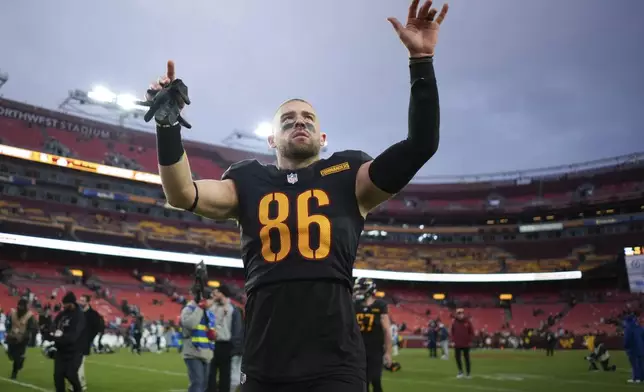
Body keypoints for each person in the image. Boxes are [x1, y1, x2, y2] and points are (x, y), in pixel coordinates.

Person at [148, 0, 446, 389]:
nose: (299, 122)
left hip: (334, 364)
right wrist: (167, 127)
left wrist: (421, 62)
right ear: (272, 138)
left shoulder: (349, 175)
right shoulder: (248, 180)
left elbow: (421, 144)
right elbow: (181, 193)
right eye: (288, 120)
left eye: (308, 118)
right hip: (264, 364)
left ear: (323, 137)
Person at [354, 278, 392, 392]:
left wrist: (388, 353)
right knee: (361, 382)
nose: (358, 293)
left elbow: (386, 329)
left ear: (369, 290)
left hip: (375, 350)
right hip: (358, 350)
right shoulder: (354, 305)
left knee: (376, 380)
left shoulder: (380, 305)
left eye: (361, 290)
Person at [208, 285, 243, 392]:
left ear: (222, 293)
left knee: (225, 374)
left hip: (225, 344)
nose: (214, 294)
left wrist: (234, 346)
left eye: (216, 292)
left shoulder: (233, 309)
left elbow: (236, 329)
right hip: (211, 343)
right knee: (210, 373)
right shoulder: (212, 306)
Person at [182, 288, 217, 392]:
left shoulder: (210, 313)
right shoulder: (189, 309)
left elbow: (212, 330)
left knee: (204, 384)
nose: (213, 302)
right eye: (211, 299)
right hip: (193, 352)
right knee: (197, 383)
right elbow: (190, 324)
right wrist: (200, 308)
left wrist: (214, 334)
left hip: (207, 353)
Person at [52, 292, 86, 392]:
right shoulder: (62, 314)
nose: (64, 306)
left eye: (65, 304)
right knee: (58, 375)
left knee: (70, 374)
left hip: (75, 350)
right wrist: (52, 332)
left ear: (71, 303)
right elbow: (54, 324)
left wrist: (60, 336)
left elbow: (74, 335)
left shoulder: (79, 316)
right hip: (61, 350)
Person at [5, 297, 37, 380]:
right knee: (10, 355)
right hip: (12, 337)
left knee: (17, 357)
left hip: (23, 339)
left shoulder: (29, 316)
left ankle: (14, 374)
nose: (20, 308)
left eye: (22, 306)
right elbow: (8, 324)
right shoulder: (13, 313)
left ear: (25, 307)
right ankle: (20, 360)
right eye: (19, 306)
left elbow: (31, 328)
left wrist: (24, 336)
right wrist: (8, 332)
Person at [451, 308, 474, 379]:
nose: (460, 315)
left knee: (466, 358)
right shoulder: (454, 322)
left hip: (466, 343)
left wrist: (470, 341)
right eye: (458, 313)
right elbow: (452, 332)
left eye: (461, 313)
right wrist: (452, 341)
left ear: (463, 314)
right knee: (457, 358)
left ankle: (468, 373)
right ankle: (460, 371)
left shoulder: (468, 322)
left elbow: (471, 332)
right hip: (457, 344)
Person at [623, 315, 644, 383]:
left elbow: (627, 339)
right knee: (641, 364)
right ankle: (641, 378)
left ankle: (636, 378)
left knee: (634, 364)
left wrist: (626, 346)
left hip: (632, 348)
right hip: (641, 348)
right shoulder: (640, 327)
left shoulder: (628, 328)